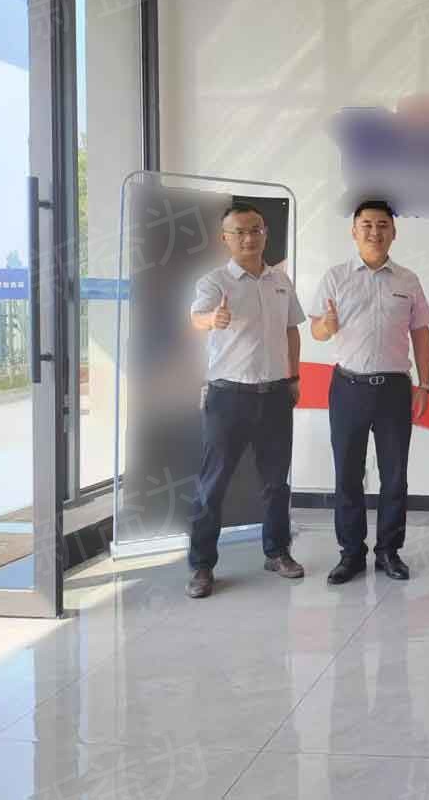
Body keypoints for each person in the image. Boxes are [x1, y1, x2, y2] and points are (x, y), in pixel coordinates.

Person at [185, 204, 305, 599]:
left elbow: (292, 330)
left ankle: (277, 552)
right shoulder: (215, 281)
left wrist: (294, 377)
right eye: (238, 232)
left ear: (265, 233)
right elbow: (197, 318)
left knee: (276, 483)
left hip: (275, 395)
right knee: (212, 486)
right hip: (228, 397)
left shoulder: (281, 281)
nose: (248, 238)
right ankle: (202, 566)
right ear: (225, 239)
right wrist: (212, 321)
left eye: (255, 230)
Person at [310, 199, 429, 584]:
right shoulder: (336, 277)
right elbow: (316, 330)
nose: (375, 232)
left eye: (382, 225)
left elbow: (421, 333)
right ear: (354, 231)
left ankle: (388, 552)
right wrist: (327, 326)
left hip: (395, 389)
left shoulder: (407, 280)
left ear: (394, 232)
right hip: (348, 387)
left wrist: (425, 384)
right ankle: (350, 553)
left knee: (394, 476)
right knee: (348, 473)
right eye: (367, 224)